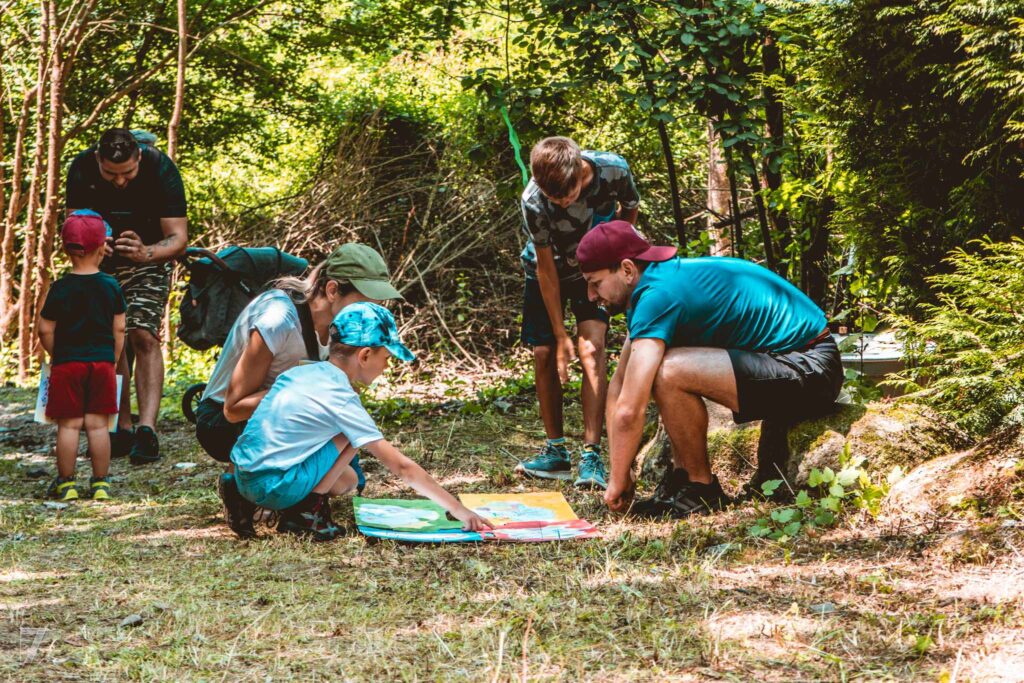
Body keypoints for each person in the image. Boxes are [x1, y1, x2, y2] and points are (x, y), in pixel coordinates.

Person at [577, 221, 844, 517]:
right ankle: (682, 479)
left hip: (812, 367)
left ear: (627, 269)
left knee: (667, 371)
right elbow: (620, 385)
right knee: (663, 366)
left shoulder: (658, 296)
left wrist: (616, 483)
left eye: (595, 283)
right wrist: (622, 470)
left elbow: (630, 408)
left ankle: (700, 489)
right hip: (792, 360)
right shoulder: (653, 286)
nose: (591, 295)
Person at [220, 302, 491, 541]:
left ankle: (242, 498)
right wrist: (459, 510)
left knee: (347, 480)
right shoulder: (341, 397)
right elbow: (402, 468)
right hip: (274, 488)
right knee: (353, 435)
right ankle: (306, 514)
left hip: (243, 475)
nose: (386, 367)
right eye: (386, 358)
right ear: (365, 355)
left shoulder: (301, 372)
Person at [194, 243, 402, 538]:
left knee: (349, 481)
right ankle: (245, 487)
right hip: (223, 422)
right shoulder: (279, 318)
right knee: (333, 475)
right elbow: (233, 407)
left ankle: (280, 494)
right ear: (332, 290)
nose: (371, 313)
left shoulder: (342, 330)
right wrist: (300, 388)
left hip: (279, 417)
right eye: (366, 302)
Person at [515, 136, 640, 490]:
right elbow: (545, 269)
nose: (561, 202)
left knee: (592, 348)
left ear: (579, 172)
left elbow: (630, 211)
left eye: (567, 194)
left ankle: (591, 455)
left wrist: (615, 256)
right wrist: (559, 334)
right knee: (543, 352)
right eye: (553, 197)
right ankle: (556, 451)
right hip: (547, 271)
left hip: (594, 268)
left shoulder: (613, 170)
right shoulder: (533, 199)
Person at [65, 128, 188, 465]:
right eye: (111, 174)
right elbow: (71, 228)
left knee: (143, 334)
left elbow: (178, 238)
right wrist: (89, 246)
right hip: (100, 265)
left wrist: (146, 252)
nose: (120, 181)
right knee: (112, 340)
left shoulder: (160, 167)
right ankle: (122, 426)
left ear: (139, 158)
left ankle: (147, 429)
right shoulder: (81, 168)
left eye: (128, 173)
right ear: (97, 160)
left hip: (149, 260)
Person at [37, 212, 127, 501]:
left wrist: (58, 353)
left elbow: (44, 329)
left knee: (69, 425)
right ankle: (101, 484)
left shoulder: (60, 288)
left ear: (66, 250)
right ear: (102, 248)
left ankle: (67, 484)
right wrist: (113, 357)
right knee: (98, 425)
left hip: (67, 364)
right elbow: (119, 327)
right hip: (101, 363)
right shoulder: (111, 286)